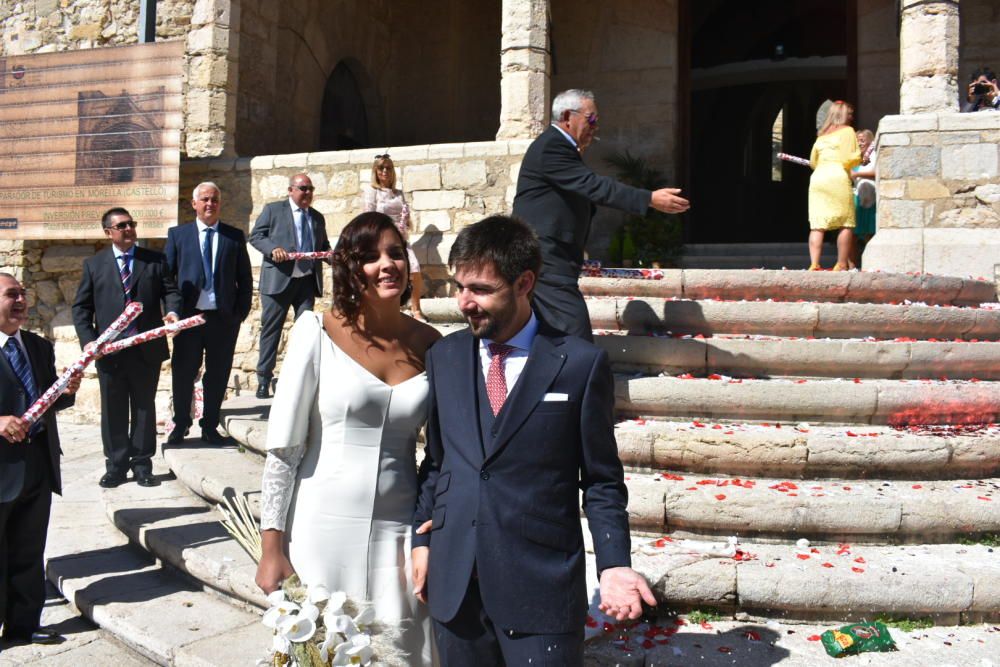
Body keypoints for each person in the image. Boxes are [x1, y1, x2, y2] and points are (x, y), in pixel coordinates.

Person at [411, 215, 655, 665]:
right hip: (455, 589)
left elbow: (601, 480)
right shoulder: (443, 357)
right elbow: (438, 462)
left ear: (524, 283)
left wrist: (614, 563)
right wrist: (422, 540)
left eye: (481, 289)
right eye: (460, 287)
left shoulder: (579, 365)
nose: (465, 303)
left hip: (540, 592)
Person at [255, 212, 440, 664]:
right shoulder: (315, 331)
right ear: (349, 268)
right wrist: (271, 546)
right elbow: (284, 449)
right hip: (322, 525)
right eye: (370, 256)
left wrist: (430, 534)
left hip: (400, 532)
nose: (387, 264)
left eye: (396, 253)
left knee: (404, 649)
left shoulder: (434, 345)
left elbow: (441, 455)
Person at [512, 89, 690, 341]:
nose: (595, 127)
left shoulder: (561, 147)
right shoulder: (553, 146)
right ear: (567, 116)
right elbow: (594, 186)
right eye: (591, 119)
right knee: (575, 333)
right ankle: (580, 379)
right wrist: (649, 198)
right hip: (546, 255)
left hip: (554, 254)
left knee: (550, 332)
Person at [72, 208, 182, 488]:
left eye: (131, 224)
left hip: (146, 349)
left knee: (144, 407)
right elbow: (81, 308)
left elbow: (171, 291)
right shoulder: (93, 265)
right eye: (122, 225)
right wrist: (89, 341)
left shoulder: (155, 261)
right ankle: (116, 466)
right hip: (109, 352)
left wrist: (172, 313)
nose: (129, 229)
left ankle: (143, 464)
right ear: (108, 232)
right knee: (114, 409)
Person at [0, 273, 80, 645]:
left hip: (37, 464)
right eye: (10, 294)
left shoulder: (37, 346)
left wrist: (67, 390)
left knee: (29, 550)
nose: (20, 301)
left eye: (23, 294)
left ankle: (24, 625)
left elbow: (45, 401)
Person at [165, 182, 253, 445]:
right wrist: (172, 311)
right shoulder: (178, 235)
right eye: (204, 199)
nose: (209, 204)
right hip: (190, 319)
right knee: (183, 373)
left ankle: (210, 426)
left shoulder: (233, 236)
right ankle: (181, 424)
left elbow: (244, 278)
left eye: (214, 199)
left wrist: (239, 313)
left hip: (222, 319)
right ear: (194, 204)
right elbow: (167, 278)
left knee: (217, 374)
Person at [249, 173, 331, 399]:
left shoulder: (317, 217)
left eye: (311, 189)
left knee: (306, 333)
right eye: (303, 188)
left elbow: (323, 245)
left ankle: (299, 380)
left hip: (305, 281)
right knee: (271, 331)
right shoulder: (274, 210)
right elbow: (255, 236)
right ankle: (264, 379)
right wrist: (272, 248)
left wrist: (331, 256)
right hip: (278, 281)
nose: (307, 193)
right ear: (291, 190)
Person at [363, 154, 425, 321]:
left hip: (401, 238)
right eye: (381, 168)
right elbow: (368, 216)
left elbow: (405, 214)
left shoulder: (398, 193)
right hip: (381, 239)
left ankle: (416, 309)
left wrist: (404, 224)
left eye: (388, 168)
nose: (385, 171)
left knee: (415, 270)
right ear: (375, 171)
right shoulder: (372, 191)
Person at [807, 101, 861, 271]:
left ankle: (814, 263)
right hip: (837, 176)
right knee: (846, 223)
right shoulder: (848, 131)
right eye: (850, 114)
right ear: (844, 115)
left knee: (817, 224)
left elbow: (813, 161)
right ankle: (841, 263)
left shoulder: (821, 135)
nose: (852, 117)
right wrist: (859, 158)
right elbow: (847, 159)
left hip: (818, 178)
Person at [850, 129, 878, 268]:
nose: (859, 143)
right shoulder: (854, 157)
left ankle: (871, 265)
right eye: (857, 140)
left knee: (870, 234)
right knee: (852, 235)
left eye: (862, 140)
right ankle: (851, 266)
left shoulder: (874, 156)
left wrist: (857, 173)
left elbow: (877, 171)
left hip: (871, 198)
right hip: (858, 198)